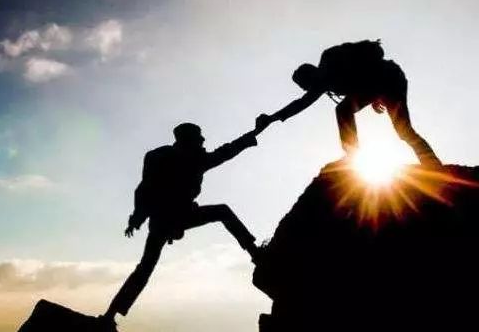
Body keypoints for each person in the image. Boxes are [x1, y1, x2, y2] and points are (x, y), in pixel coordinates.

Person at [102, 122, 262, 322]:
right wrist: (253, 135)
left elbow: (143, 190)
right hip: (173, 218)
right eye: (199, 137)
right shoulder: (189, 159)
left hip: (162, 221)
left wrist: (137, 219)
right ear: (188, 139)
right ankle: (254, 252)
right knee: (222, 211)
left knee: (145, 266)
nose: (203, 140)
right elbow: (226, 152)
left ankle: (110, 315)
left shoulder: (162, 157)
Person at [255, 39, 441, 166]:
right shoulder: (324, 80)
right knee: (402, 130)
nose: (311, 91)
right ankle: (431, 164)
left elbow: (372, 53)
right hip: (384, 82)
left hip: (388, 77)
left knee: (346, 111)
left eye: (308, 86)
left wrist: (271, 118)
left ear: (311, 75)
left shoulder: (329, 61)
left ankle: (352, 156)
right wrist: (272, 118)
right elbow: (301, 103)